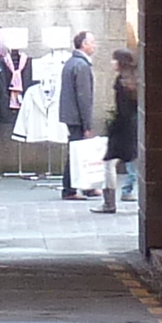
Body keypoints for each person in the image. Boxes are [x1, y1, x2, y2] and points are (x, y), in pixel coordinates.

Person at [54, 30, 96, 200]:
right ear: (84, 44)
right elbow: (84, 97)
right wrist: (87, 125)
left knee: (79, 152)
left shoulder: (71, 63)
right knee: (77, 153)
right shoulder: (81, 65)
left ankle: (86, 187)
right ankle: (69, 189)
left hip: (70, 114)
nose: (95, 45)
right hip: (77, 116)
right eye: (92, 42)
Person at [101, 48, 140, 213]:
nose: (111, 62)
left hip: (123, 128)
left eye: (114, 59)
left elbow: (122, 110)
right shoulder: (136, 80)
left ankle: (109, 203)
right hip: (134, 125)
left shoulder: (121, 82)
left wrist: (113, 127)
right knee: (135, 161)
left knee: (109, 164)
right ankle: (128, 191)